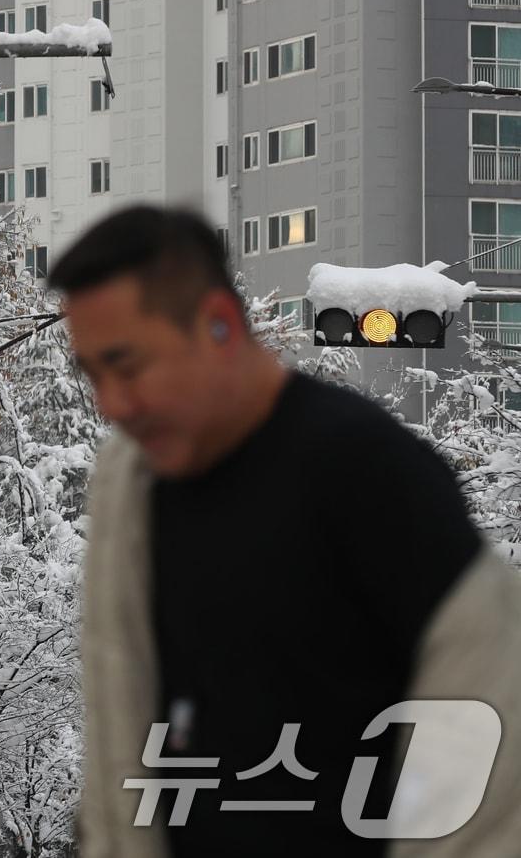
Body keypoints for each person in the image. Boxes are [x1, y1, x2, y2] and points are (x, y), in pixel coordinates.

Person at [48, 205, 521, 858]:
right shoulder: (132, 484)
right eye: (93, 374)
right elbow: (119, 729)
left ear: (217, 323)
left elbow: (488, 724)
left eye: (127, 366)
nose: (111, 403)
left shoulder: (371, 473)